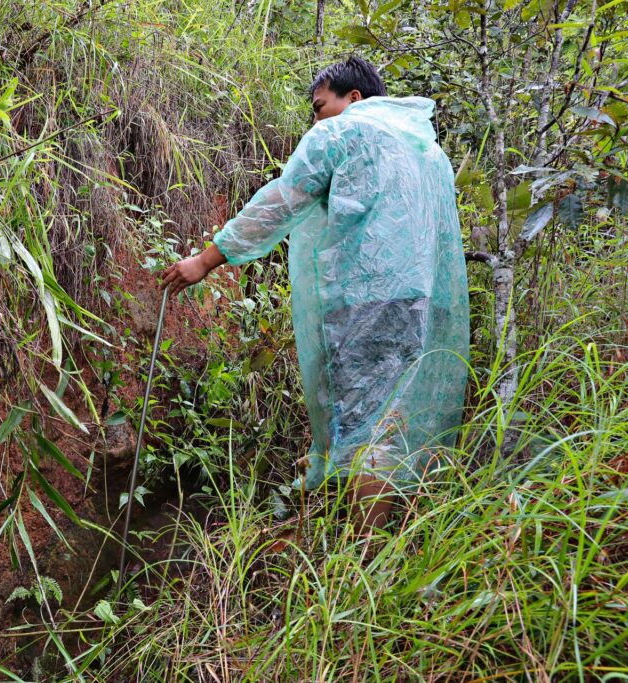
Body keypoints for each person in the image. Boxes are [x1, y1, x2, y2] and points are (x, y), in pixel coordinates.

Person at [161, 56, 470, 536]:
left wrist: (205, 260)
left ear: (354, 98)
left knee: (367, 423)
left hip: (367, 299)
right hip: (421, 301)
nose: (316, 119)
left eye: (320, 106)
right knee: (390, 417)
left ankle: (362, 558)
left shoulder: (343, 133)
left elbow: (282, 201)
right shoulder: (427, 150)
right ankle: (386, 540)